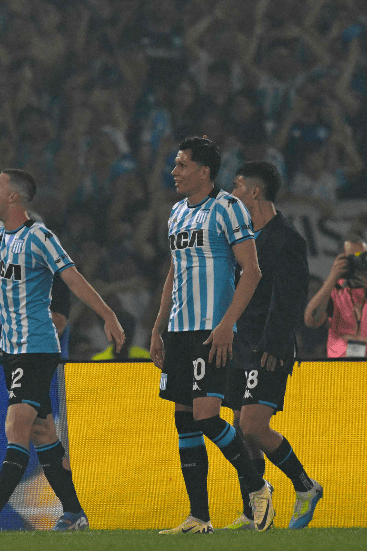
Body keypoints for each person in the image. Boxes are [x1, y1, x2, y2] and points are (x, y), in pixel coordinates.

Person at [0, 99, 125, 532]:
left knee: (18, 423)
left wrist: (108, 315)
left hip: (37, 347)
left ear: (12, 196)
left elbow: (74, 277)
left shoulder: (38, 235)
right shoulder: (3, 234)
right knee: (44, 433)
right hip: (13, 349)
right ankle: (75, 513)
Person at [149, 136, 268, 534]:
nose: (174, 172)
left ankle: (257, 486)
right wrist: (158, 326)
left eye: (181, 165)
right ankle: (199, 517)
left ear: (203, 171)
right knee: (184, 420)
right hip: (180, 330)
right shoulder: (177, 213)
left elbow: (251, 271)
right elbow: (174, 271)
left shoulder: (228, 208)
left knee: (207, 417)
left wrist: (226, 325)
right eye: (175, 164)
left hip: (210, 330)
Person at [224, 161, 322, 531]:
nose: (231, 194)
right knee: (240, 430)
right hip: (238, 345)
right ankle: (254, 511)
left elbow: (291, 297)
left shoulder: (286, 238)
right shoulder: (243, 237)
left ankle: (305, 486)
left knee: (252, 426)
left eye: (236, 187)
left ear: (254, 191)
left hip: (268, 346)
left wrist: (276, 343)